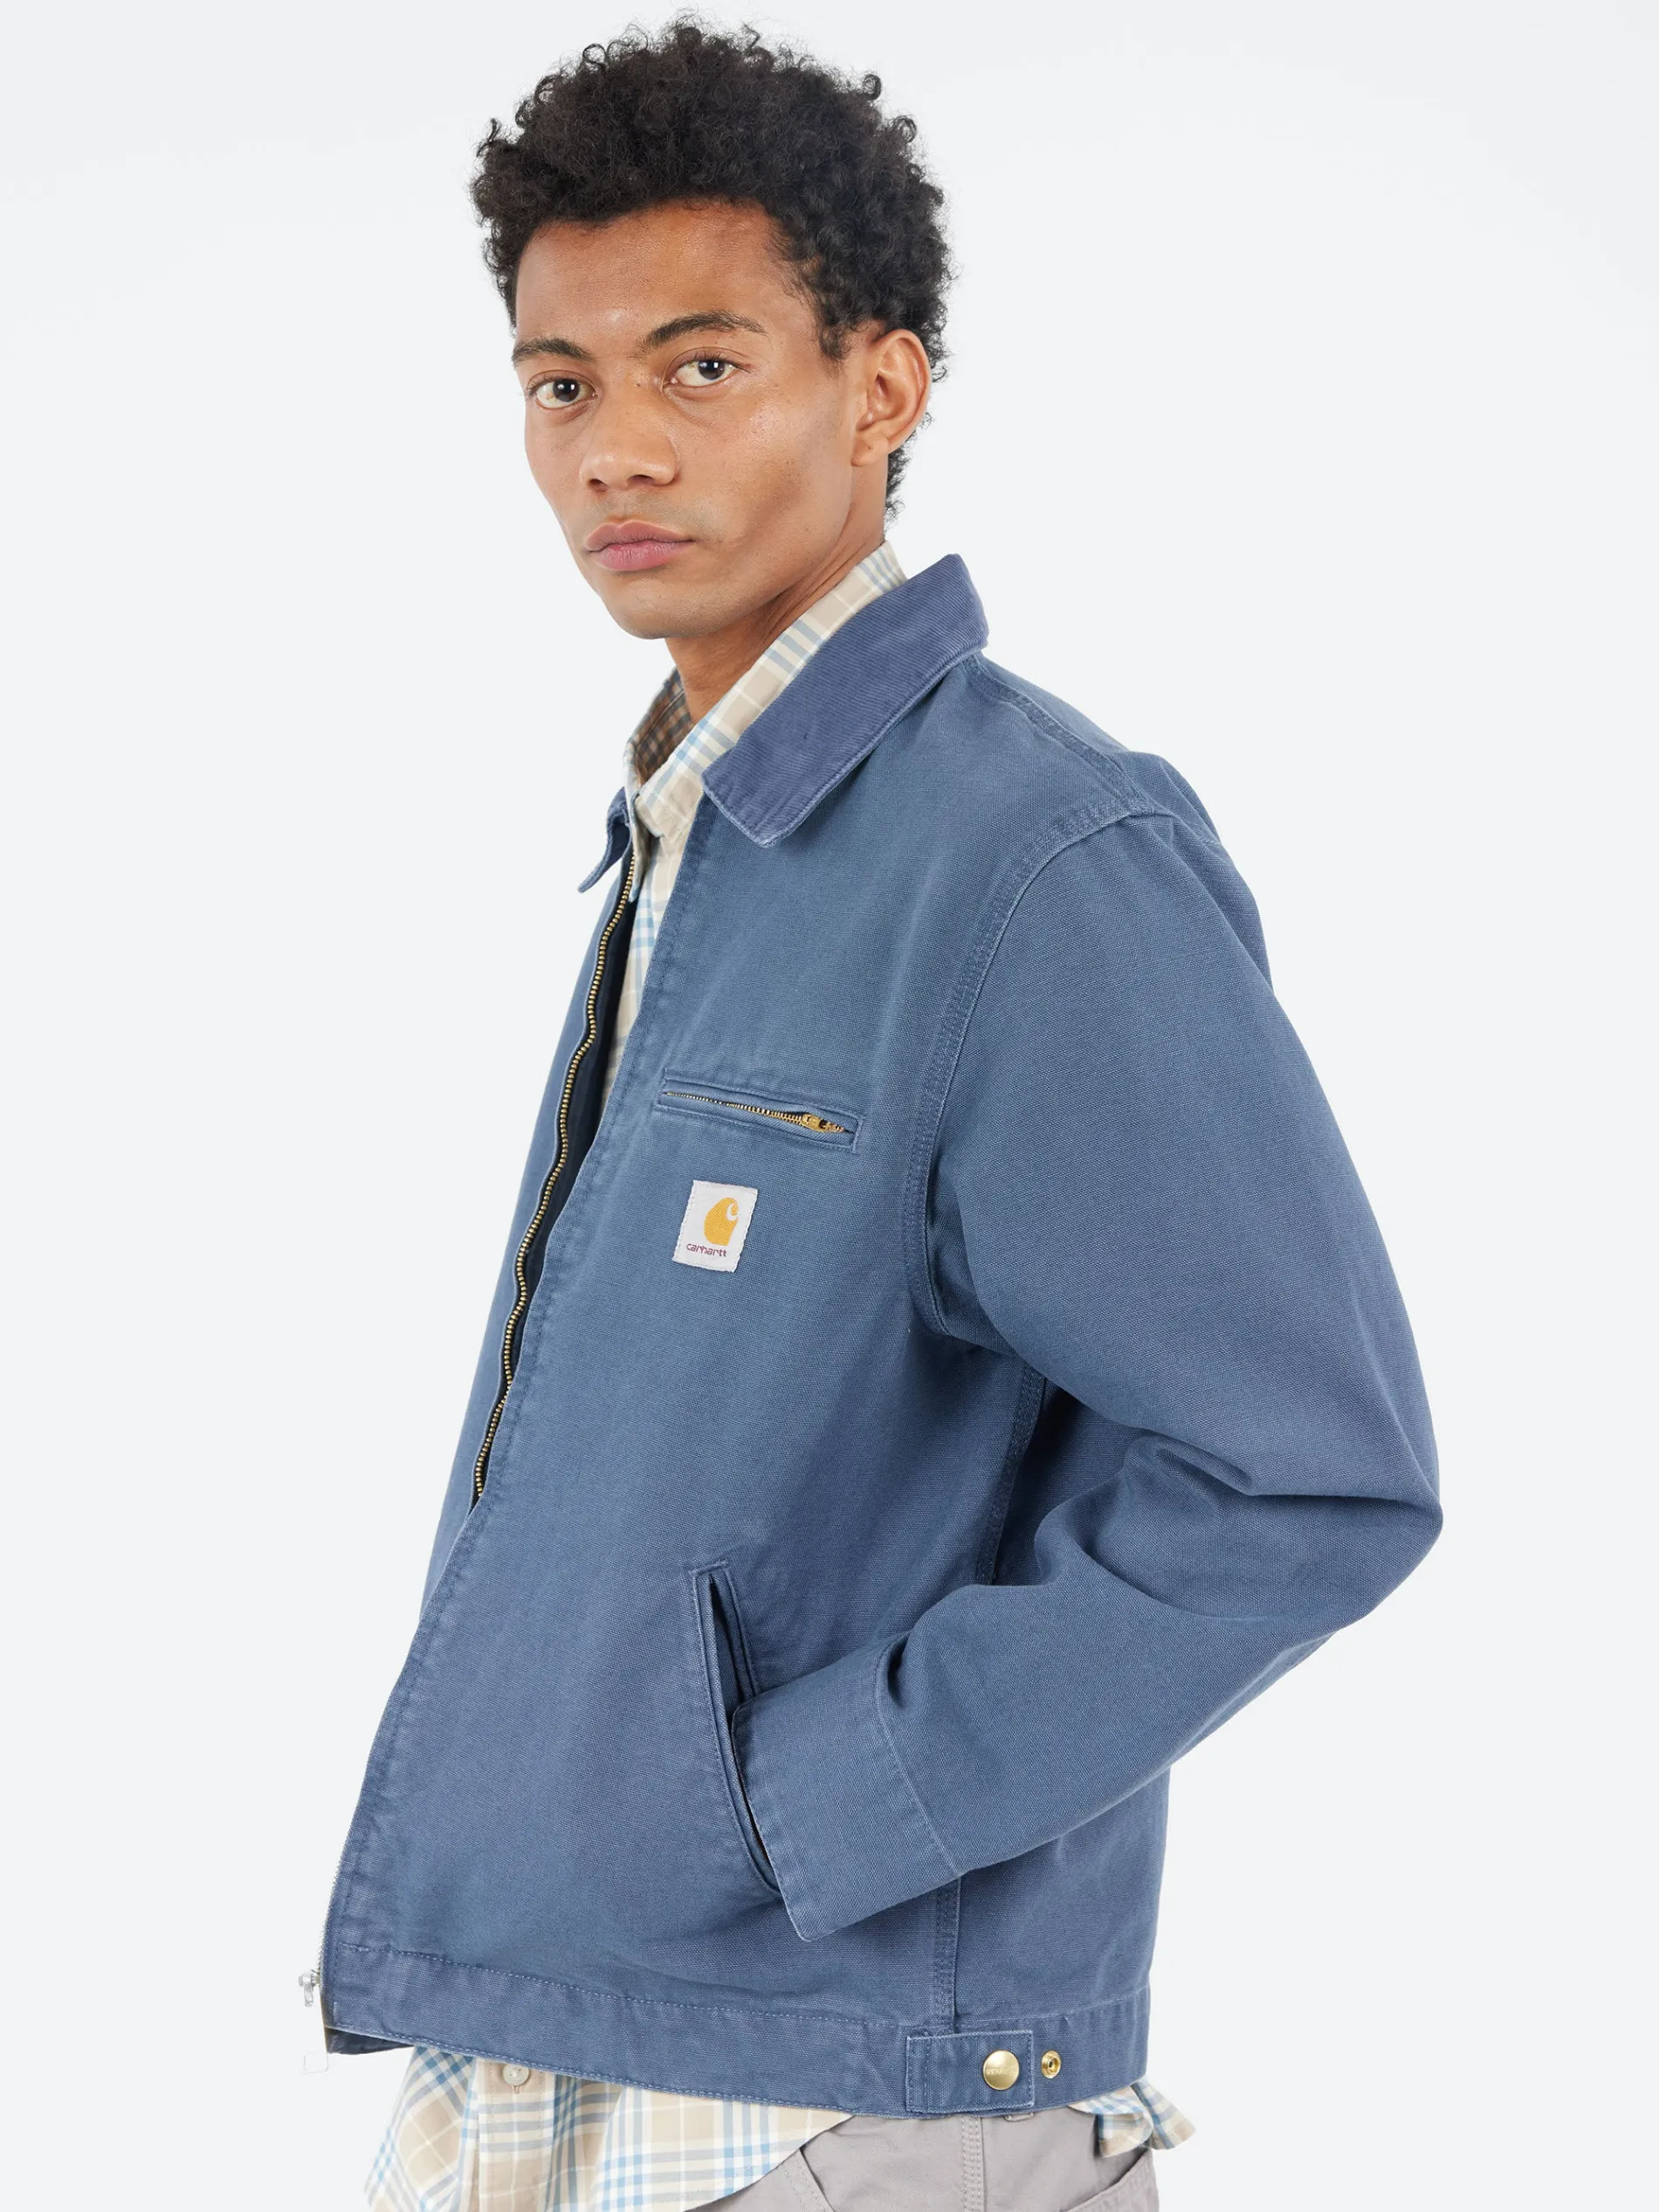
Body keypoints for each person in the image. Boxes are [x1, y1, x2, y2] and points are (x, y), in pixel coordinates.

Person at [310, 22, 1442, 2211]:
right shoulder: (701, 833)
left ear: (879, 387)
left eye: (700, 366)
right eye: (559, 383)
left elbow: (1307, 1474)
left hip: (840, 2102)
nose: (616, 448)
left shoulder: (1036, 859)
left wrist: (813, 1803)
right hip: (572, 2044)